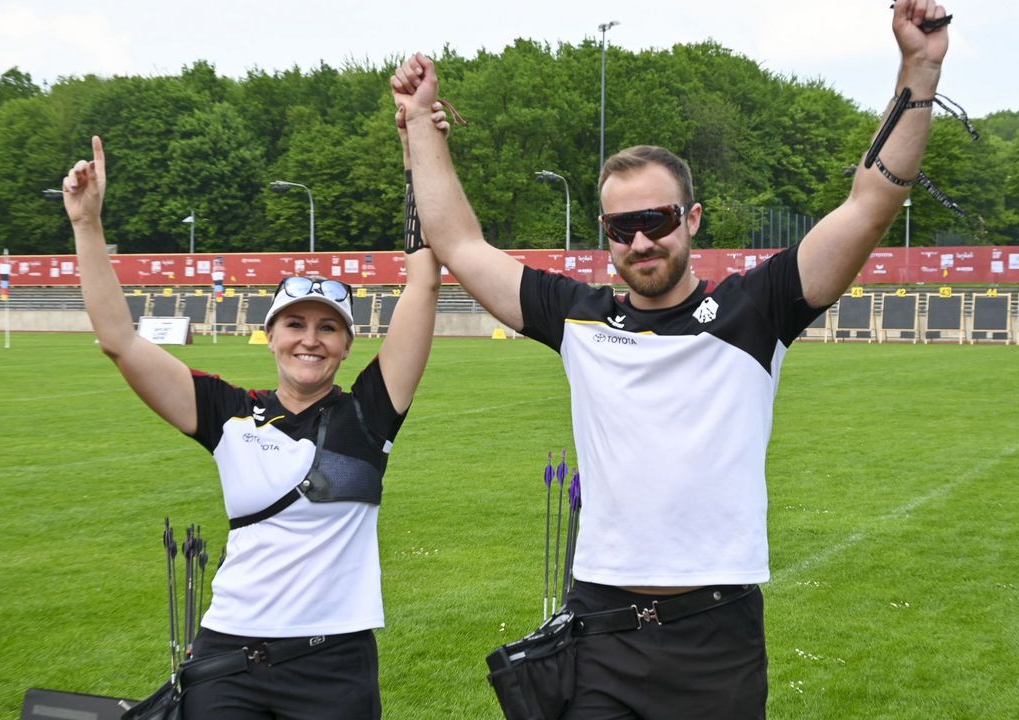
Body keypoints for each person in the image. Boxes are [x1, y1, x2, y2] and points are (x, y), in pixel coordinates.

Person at [392, 2, 950, 717]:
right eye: (621, 228)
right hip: (599, 630)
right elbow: (460, 244)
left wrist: (920, 67)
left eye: (655, 220)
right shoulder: (579, 317)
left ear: (691, 220)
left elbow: (870, 204)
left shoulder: (758, 310)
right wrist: (418, 121)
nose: (640, 242)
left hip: (717, 638)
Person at [61, 104, 451, 719]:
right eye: (294, 324)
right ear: (268, 335)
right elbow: (121, 341)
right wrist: (87, 225)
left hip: (335, 664)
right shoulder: (228, 414)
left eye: (328, 328)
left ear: (349, 345)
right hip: (228, 662)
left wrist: (415, 157)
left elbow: (424, 280)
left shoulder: (370, 415)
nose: (310, 339)